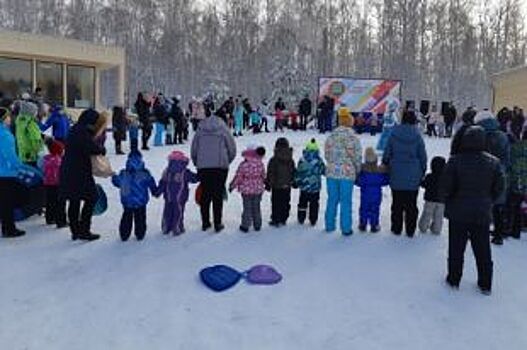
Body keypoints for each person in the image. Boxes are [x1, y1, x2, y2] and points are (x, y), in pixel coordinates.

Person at [441, 126, 504, 295]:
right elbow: (499, 188)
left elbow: (446, 187)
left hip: (458, 212)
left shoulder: (455, 161)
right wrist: (489, 200)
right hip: (481, 212)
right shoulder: (494, 162)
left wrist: (450, 199)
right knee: (483, 249)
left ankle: (454, 279)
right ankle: (485, 283)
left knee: (456, 248)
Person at [59, 109, 107, 241]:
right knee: (91, 197)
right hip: (79, 172)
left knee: (74, 201)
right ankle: (84, 230)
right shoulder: (82, 132)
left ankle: (75, 231)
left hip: (69, 170)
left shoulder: (76, 129)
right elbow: (92, 148)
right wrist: (102, 149)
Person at [382, 110, 427, 237]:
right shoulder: (418, 136)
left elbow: (387, 153)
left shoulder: (393, 134)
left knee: (397, 203)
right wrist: (422, 171)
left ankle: (396, 228)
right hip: (413, 175)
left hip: (396, 173)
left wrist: (386, 164)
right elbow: (422, 156)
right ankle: (410, 229)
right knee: (412, 204)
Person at [191, 112, 236, 233]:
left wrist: (197, 162)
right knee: (217, 195)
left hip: (203, 167)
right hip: (220, 167)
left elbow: (194, 149)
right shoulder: (224, 129)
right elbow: (232, 148)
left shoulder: (200, 130)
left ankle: (205, 222)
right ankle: (218, 222)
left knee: (205, 194)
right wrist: (226, 161)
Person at [324, 110, 362, 236]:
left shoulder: (331, 136)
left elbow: (327, 154)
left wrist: (332, 164)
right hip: (347, 174)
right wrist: (357, 170)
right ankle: (346, 228)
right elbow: (357, 157)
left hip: (331, 173)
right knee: (346, 201)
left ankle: (329, 225)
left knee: (332, 200)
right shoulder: (353, 138)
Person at [476, 110, 510, 245]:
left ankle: (479, 232)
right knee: (499, 204)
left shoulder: (478, 135)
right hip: (500, 172)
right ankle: (499, 234)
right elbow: (507, 158)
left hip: (482, 174)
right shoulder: (503, 135)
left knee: (481, 203)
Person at [112, 151, 157, 241]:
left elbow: (117, 182)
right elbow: (151, 183)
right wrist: (155, 191)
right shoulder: (145, 174)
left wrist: (114, 177)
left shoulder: (124, 173)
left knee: (126, 217)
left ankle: (124, 234)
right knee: (140, 218)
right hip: (141, 201)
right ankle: (140, 234)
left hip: (127, 202)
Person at [155, 151, 199, 235]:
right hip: (180, 197)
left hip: (168, 196)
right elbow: (194, 178)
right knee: (178, 212)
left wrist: (157, 192)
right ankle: (177, 227)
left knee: (167, 211)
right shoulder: (185, 172)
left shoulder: (167, 171)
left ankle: (166, 227)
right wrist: (201, 174)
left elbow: (162, 182)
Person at [0, 107, 25, 238]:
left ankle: (6, 227)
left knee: (3, 202)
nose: (10, 119)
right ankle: (9, 229)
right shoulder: (5, 135)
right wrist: (19, 166)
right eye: (8, 117)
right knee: (7, 203)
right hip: (6, 173)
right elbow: (10, 155)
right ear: (4, 119)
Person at [229, 147, 266, 232]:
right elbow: (263, 175)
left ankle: (245, 226)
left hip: (246, 190)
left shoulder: (243, 165)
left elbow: (238, 177)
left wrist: (232, 185)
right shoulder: (260, 164)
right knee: (256, 207)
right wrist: (265, 183)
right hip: (258, 189)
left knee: (247, 208)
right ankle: (257, 225)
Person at [356, 147, 389, 233]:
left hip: (365, 196)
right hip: (376, 196)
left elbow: (357, 181)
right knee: (375, 210)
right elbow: (385, 181)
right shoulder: (379, 173)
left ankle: (363, 224)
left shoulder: (363, 174)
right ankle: (374, 225)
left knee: (364, 209)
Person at [294, 139, 325, 226]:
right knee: (314, 203)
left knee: (302, 203)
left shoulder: (302, 160)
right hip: (315, 187)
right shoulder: (319, 161)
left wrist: (296, 181)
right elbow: (323, 171)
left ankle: (301, 217)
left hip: (304, 186)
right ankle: (313, 219)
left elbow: (298, 172)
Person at [267, 138, 296, 227]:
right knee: (286, 201)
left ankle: (276, 218)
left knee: (276, 202)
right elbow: (293, 171)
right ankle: (284, 217)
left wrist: (269, 183)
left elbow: (271, 172)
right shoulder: (290, 159)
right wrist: (293, 180)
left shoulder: (273, 159)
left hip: (276, 186)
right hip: (287, 185)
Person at [418, 157, 446, 235]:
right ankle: (437, 229)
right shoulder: (446, 177)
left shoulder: (429, 176)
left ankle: (423, 227)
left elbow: (423, 184)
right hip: (441, 201)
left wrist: (421, 181)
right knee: (438, 216)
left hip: (430, 199)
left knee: (427, 214)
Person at [42, 139, 67, 228]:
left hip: (47, 184)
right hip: (57, 184)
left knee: (50, 202)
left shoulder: (46, 159)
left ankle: (50, 218)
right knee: (60, 203)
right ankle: (61, 221)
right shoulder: (59, 161)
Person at [508, 129, 527, 239]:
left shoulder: (516, 147)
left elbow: (512, 163)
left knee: (515, 206)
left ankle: (514, 229)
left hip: (518, 180)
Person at [15, 101, 44, 165]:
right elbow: (36, 138)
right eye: (35, 111)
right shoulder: (31, 123)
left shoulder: (20, 122)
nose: (36, 113)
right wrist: (40, 149)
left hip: (23, 153)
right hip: (31, 154)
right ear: (30, 112)